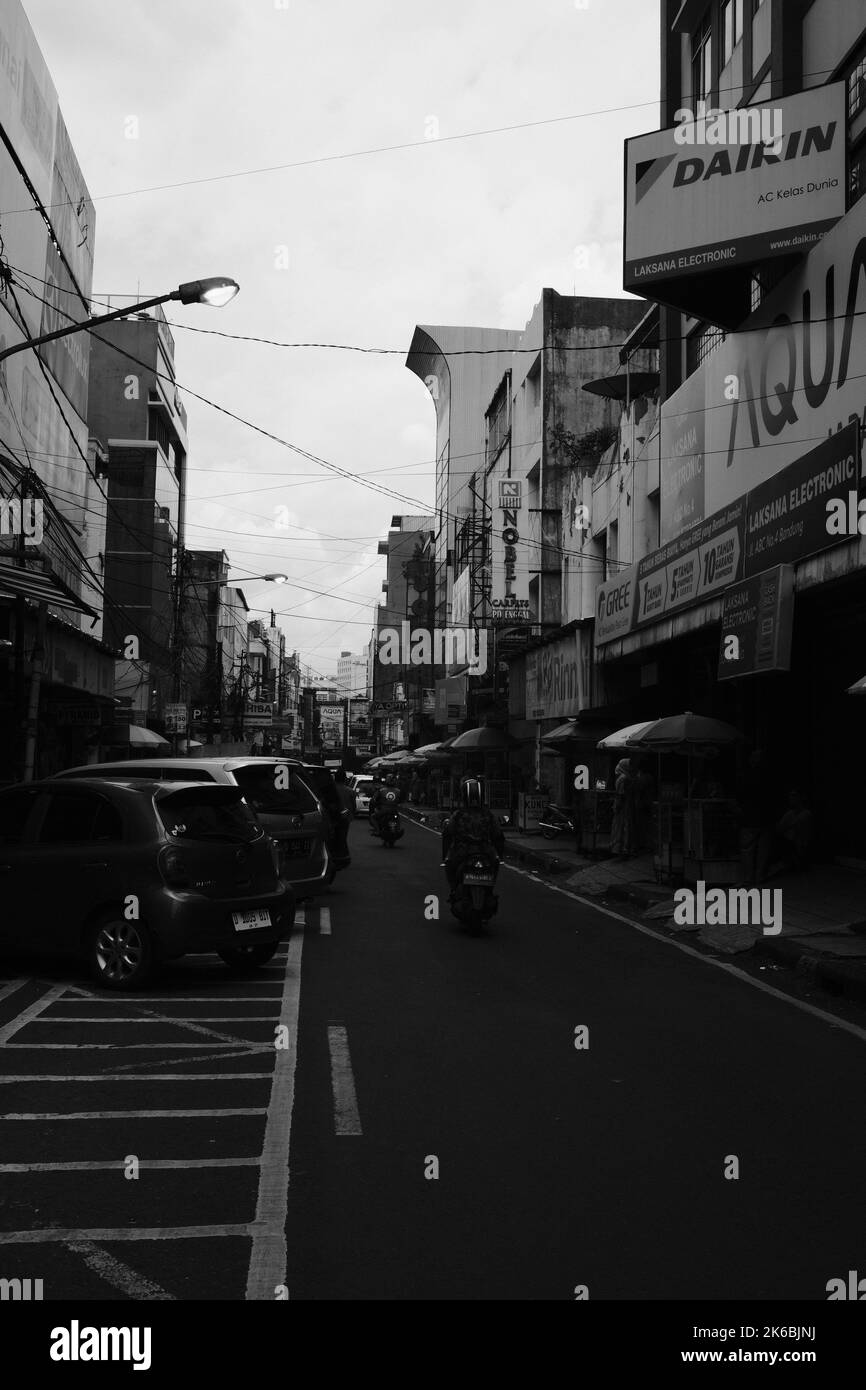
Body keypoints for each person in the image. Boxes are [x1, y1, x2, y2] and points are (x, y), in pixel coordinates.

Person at [441, 777, 505, 897]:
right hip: (485, 851)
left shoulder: (458, 815)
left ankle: (454, 890)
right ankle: (490, 890)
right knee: (496, 862)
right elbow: (498, 835)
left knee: (448, 863)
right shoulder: (488, 814)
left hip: (463, 851)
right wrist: (499, 855)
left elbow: (448, 833)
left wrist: (445, 855)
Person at [736, 749, 775, 883]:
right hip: (764, 818)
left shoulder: (745, 776)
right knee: (762, 850)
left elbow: (740, 795)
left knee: (748, 849)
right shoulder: (769, 776)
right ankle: (759, 876)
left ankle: (748, 877)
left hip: (749, 818)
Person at [609, 757, 636, 858]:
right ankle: (625, 848)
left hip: (623, 807)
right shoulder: (627, 777)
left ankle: (620, 849)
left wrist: (617, 806)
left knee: (620, 827)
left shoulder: (622, 778)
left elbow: (620, 795)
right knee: (626, 827)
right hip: (627, 806)